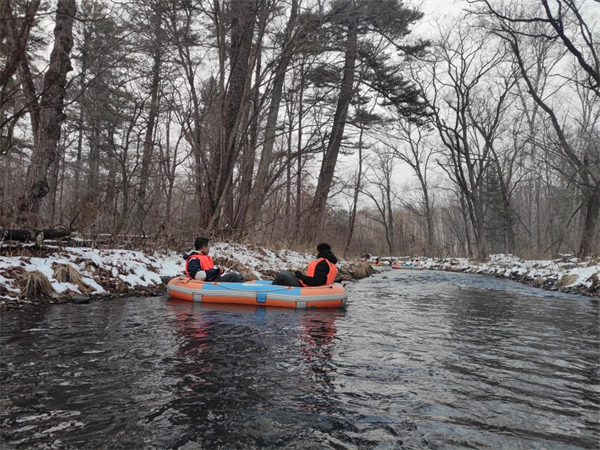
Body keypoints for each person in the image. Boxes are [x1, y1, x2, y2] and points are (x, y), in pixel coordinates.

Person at [272, 243, 338, 287]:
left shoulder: (322, 263)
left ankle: (270, 292)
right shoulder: (330, 262)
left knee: (282, 275)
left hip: (306, 287)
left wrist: (301, 277)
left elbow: (317, 281)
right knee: (284, 272)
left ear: (319, 252)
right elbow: (324, 278)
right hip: (309, 285)